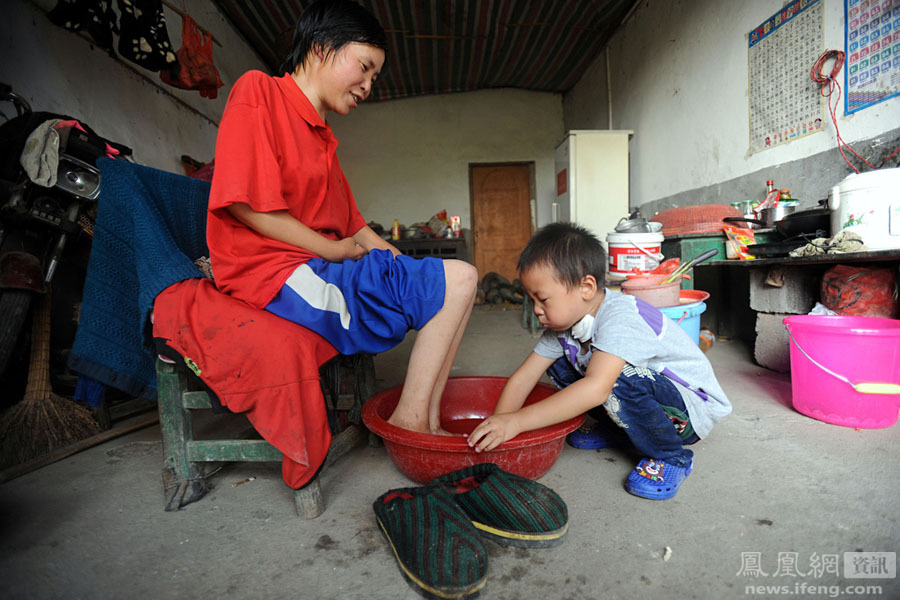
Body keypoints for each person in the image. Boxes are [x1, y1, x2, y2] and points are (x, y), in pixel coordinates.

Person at [207, 0, 477, 435]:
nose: (368, 86)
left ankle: (425, 421)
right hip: (274, 276)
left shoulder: (323, 139)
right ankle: (410, 426)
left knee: (460, 279)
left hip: (314, 267)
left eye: (374, 77)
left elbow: (354, 226)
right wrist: (333, 250)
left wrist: (406, 267)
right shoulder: (259, 91)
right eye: (365, 67)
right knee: (456, 280)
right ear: (320, 47)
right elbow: (247, 205)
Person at [467, 223, 731, 500]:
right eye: (531, 299)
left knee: (611, 379)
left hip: (688, 412)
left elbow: (596, 389)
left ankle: (670, 456)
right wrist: (498, 426)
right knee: (558, 362)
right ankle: (616, 429)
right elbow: (523, 378)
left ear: (586, 287)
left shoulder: (620, 317)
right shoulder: (563, 327)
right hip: (645, 399)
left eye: (543, 299)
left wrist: (517, 423)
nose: (536, 310)